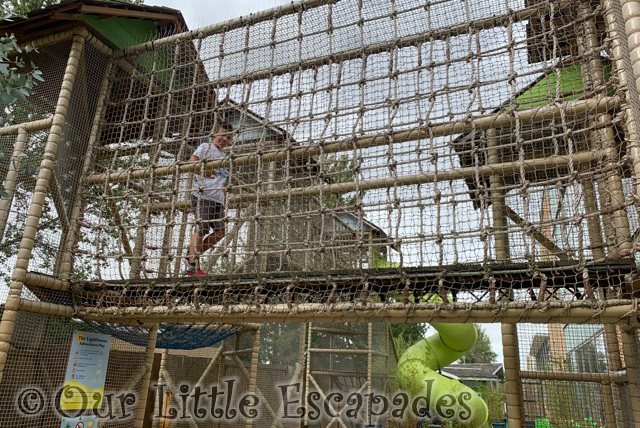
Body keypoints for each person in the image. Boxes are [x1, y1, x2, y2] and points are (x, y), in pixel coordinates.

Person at [184, 122, 233, 276]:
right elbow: (191, 163)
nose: (224, 139)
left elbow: (220, 180)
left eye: (228, 137)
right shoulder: (206, 147)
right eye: (222, 134)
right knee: (202, 229)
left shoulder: (224, 158)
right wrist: (204, 172)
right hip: (203, 195)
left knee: (220, 231)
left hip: (217, 199)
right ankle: (192, 266)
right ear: (215, 134)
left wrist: (225, 195)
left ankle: (191, 254)